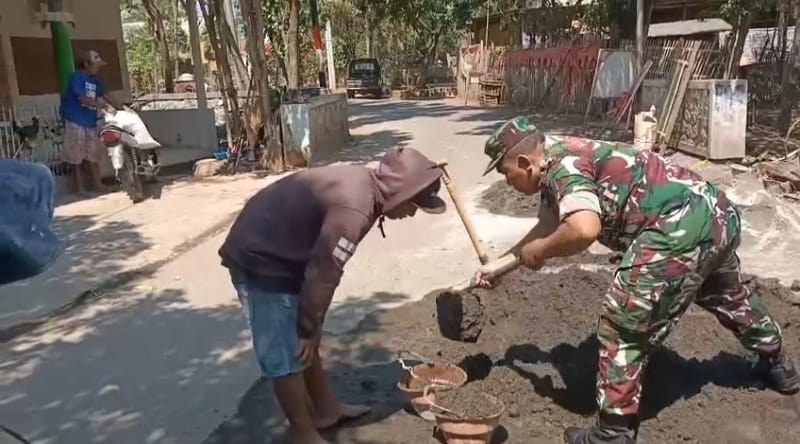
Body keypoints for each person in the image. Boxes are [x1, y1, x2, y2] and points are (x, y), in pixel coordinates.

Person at [475, 116, 800, 444]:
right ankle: (779, 365)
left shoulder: (563, 166)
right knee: (729, 296)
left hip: (676, 228)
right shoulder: (555, 155)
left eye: (506, 174)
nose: (507, 183)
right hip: (715, 214)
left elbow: (583, 229)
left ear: (523, 163)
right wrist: (501, 267)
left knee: (622, 320)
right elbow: (546, 228)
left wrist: (541, 251)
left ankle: (613, 431)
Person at [219, 147, 447, 444]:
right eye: (413, 203)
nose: (412, 212)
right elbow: (324, 271)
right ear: (399, 192)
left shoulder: (367, 188)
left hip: (285, 251)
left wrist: (310, 326)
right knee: (284, 351)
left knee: (304, 337)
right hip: (261, 256)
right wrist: (309, 328)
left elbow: (322, 272)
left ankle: (327, 408)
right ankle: (304, 434)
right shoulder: (355, 207)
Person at [60, 50, 120, 196]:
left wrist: (121, 107)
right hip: (75, 118)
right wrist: (102, 106)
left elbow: (105, 95)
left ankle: (98, 184)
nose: (97, 67)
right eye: (95, 64)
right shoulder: (76, 77)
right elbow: (83, 98)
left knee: (93, 153)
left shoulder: (96, 80)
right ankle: (80, 188)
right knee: (76, 156)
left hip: (89, 120)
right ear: (86, 64)